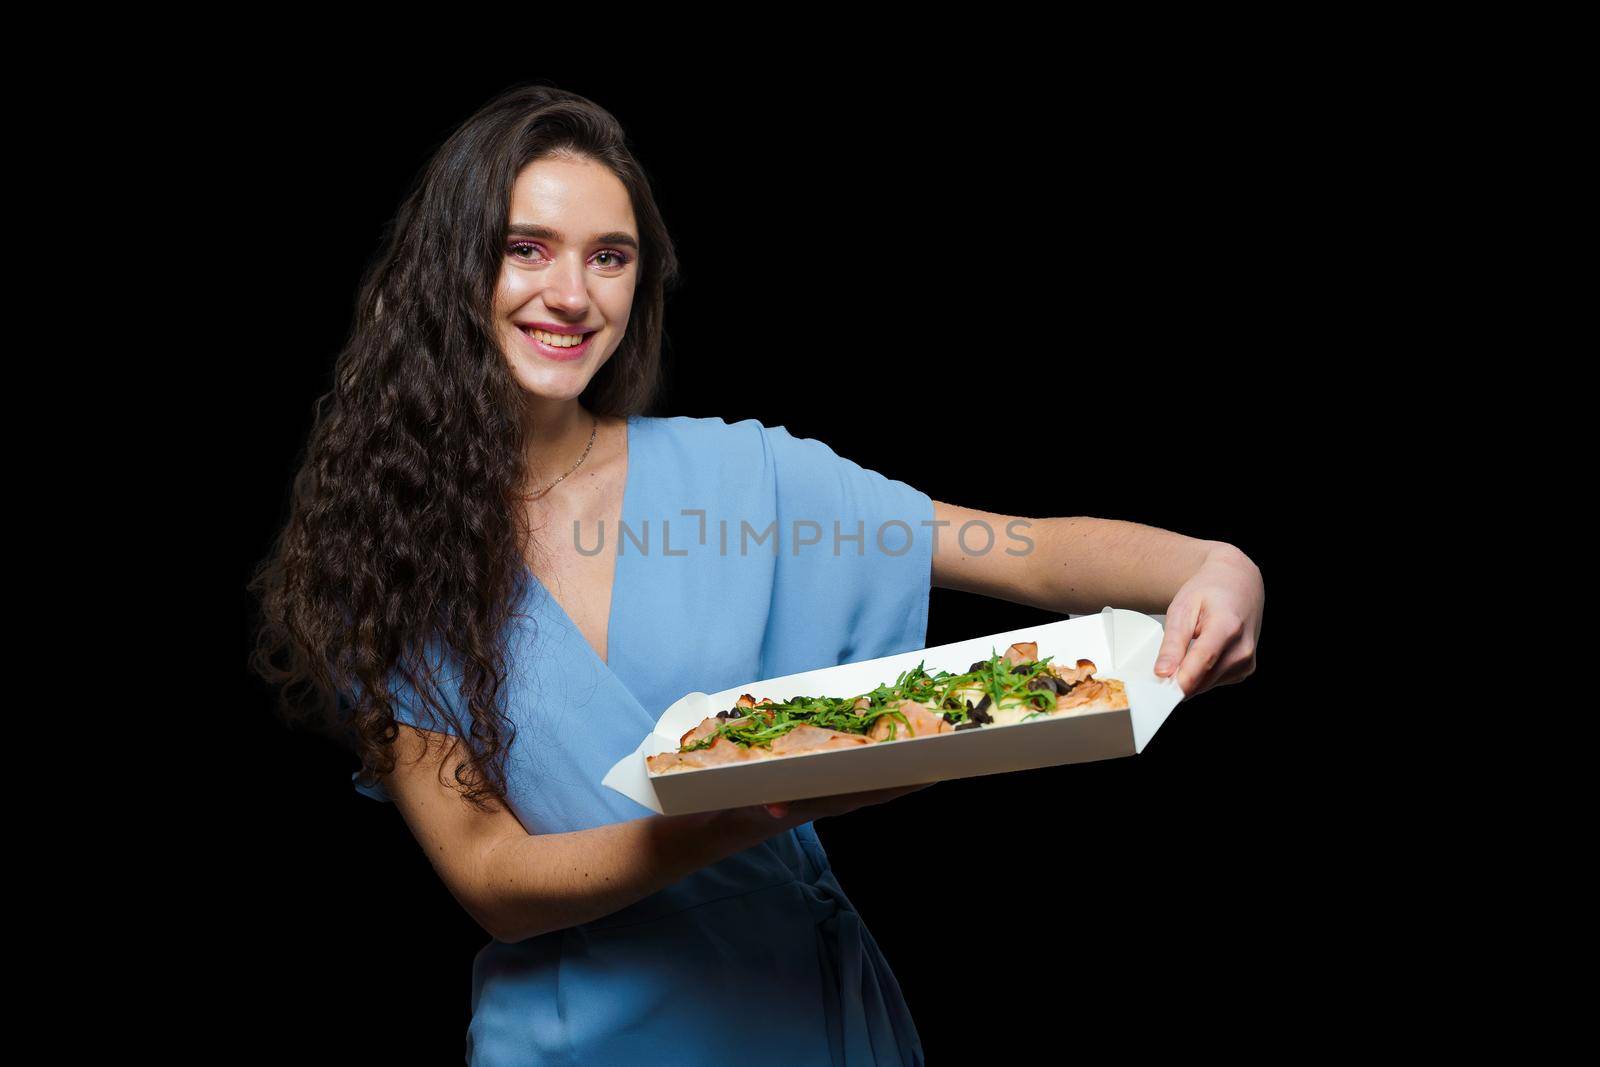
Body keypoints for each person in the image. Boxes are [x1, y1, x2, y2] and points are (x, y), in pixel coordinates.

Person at [247, 84, 1265, 1066]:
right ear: (451, 269)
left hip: (799, 1014)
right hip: (576, 1042)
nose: (571, 292)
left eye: (611, 257)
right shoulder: (383, 563)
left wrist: (1216, 565)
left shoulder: (744, 474)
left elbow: (1028, 550)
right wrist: (723, 820)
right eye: (526, 249)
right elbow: (492, 876)